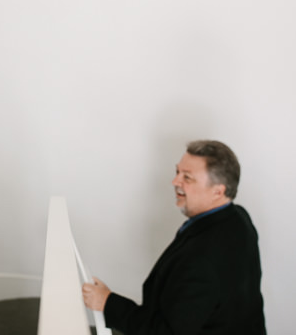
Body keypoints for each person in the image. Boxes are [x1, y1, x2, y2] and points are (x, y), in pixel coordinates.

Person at [82, 140, 265, 335]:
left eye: (188, 177)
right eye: (177, 172)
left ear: (217, 191)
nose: (175, 182)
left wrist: (107, 303)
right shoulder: (237, 217)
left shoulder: (203, 258)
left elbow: (167, 332)